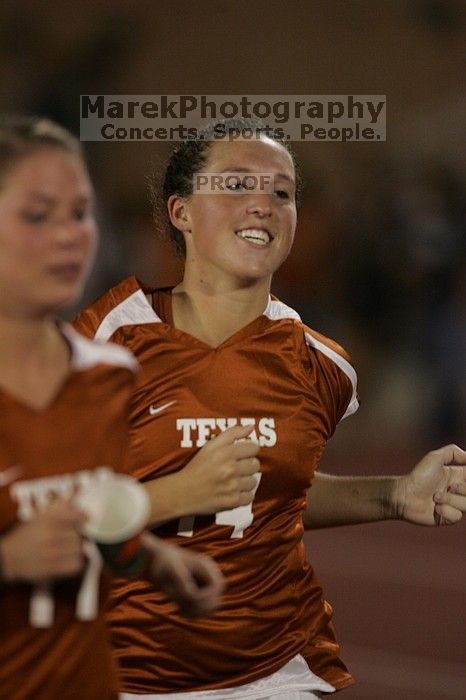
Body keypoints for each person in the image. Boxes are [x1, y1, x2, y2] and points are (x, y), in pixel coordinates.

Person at [74, 118, 466, 700]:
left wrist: (392, 495)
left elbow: (282, 492)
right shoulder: (103, 343)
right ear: (181, 213)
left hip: (274, 673)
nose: (263, 205)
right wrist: (176, 494)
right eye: (236, 186)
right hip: (121, 673)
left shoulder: (322, 365)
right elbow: (41, 503)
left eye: (281, 193)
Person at [0, 115, 224, 700]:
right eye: (36, 215)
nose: (70, 235)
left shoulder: (110, 374)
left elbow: (88, 510)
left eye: (79, 213)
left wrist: (151, 559)